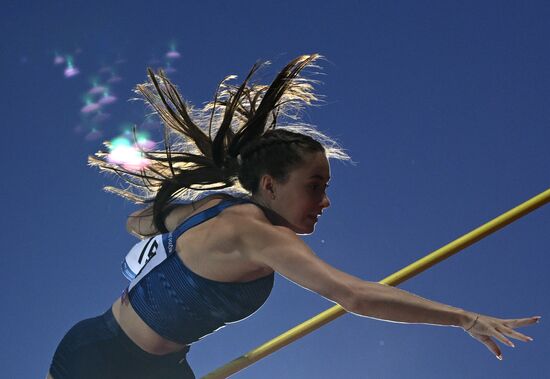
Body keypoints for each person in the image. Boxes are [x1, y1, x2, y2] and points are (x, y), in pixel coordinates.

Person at [48, 54, 540, 379]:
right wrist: (463, 318)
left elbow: (137, 223)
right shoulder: (255, 233)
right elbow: (354, 295)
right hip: (101, 361)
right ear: (269, 185)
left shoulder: (216, 209)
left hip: (156, 363)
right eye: (314, 187)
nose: (324, 202)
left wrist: (165, 218)